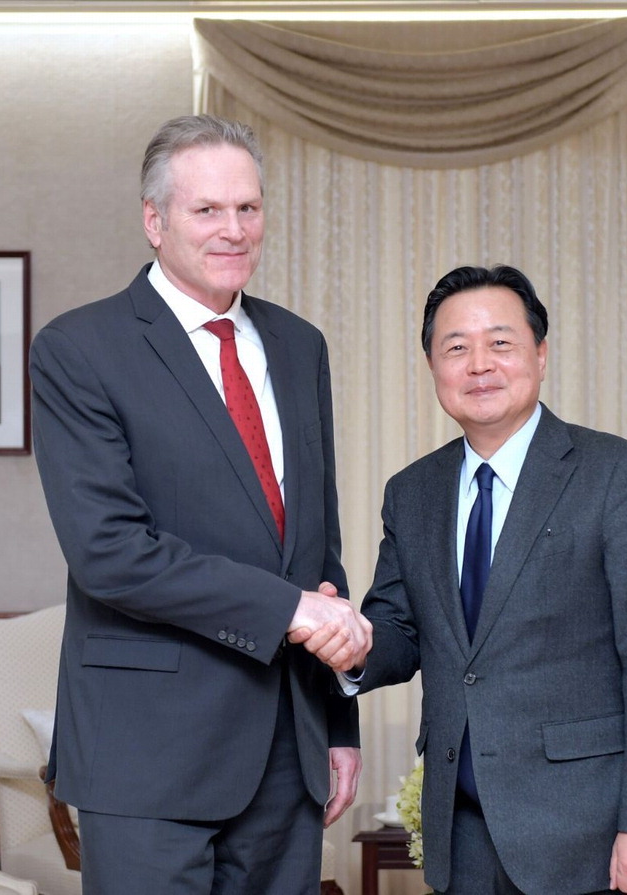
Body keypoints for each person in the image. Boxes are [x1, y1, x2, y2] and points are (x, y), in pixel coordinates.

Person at [29, 115, 371, 895]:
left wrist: (338, 724)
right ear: (155, 221)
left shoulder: (298, 345)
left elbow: (316, 553)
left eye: (248, 208)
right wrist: (291, 608)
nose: (233, 229)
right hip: (148, 757)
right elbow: (110, 552)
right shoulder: (80, 350)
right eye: (207, 210)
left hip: (289, 752)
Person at [301, 265, 627, 895]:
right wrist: (348, 643)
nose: (478, 364)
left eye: (501, 342)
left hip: (587, 834)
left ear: (540, 355)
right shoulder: (413, 492)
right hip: (461, 832)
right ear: (433, 366)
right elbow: (401, 629)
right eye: (455, 347)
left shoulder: (617, 474)